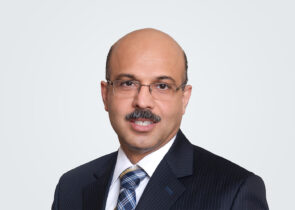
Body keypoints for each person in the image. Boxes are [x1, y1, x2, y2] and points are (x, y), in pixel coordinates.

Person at [52, 28, 269, 210]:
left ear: (184, 98)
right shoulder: (71, 187)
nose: (143, 101)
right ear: (105, 94)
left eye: (162, 86)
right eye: (127, 83)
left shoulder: (234, 191)